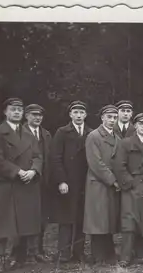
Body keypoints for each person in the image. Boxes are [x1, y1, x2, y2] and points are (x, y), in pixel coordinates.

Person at [0, 98, 43, 272]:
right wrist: (18, 171)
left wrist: (34, 171)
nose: (17, 112)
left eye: (19, 110)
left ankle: (19, 257)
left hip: (26, 182)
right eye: (13, 109)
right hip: (7, 183)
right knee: (3, 223)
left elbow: (38, 156)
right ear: (5, 112)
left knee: (24, 221)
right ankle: (1, 258)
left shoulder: (28, 134)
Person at [114, 113, 143, 265]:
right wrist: (130, 182)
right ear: (135, 125)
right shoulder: (126, 143)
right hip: (133, 186)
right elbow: (119, 166)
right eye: (140, 123)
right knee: (129, 221)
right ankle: (125, 256)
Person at [50, 100, 92, 263]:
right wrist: (61, 180)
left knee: (82, 218)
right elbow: (56, 158)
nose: (79, 115)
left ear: (86, 115)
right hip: (68, 181)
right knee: (66, 217)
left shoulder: (90, 132)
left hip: (85, 181)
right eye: (75, 112)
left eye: (81, 112)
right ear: (70, 115)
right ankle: (63, 252)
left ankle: (79, 251)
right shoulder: (62, 132)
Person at [83, 105, 121, 265]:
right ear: (102, 118)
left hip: (110, 183)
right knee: (97, 220)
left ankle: (109, 253)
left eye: (114, 117)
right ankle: (98, 255)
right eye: (109, 117)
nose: (112, 120)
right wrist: (113, 180)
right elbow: (95, 163)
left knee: (108, 218)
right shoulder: (94, 136)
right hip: (98, 183)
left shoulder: (117, 138)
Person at [21, 104, 52, 258]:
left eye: (40, 115)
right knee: (22, 217)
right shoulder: (18, 133)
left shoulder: (46, 134)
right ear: (26, 116)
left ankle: (38, 250)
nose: (37, 117)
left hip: (42, 182)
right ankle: (18, 254)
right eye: (33, 114)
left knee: (41, 217)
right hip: (24, 181)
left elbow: (49, 158)